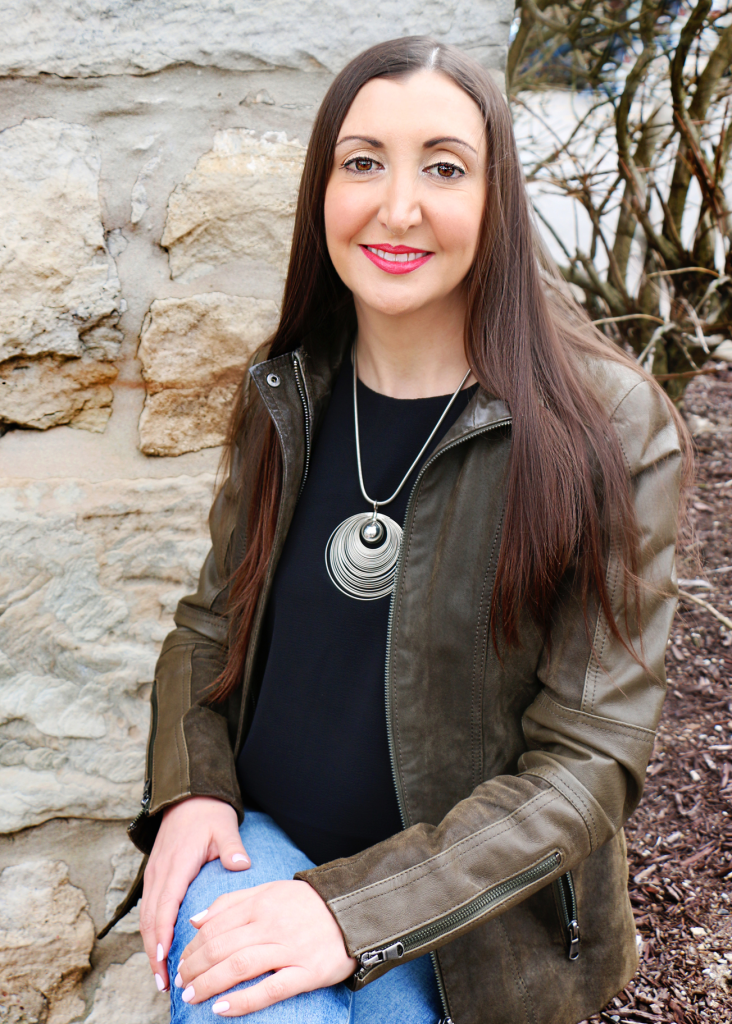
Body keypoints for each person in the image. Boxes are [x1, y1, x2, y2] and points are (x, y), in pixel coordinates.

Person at [105, 36, 690, 1024]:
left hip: (468, 919)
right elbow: (208, 629)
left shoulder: (611, 429)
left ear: (496, 196)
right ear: (322, 190)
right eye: (363, 161)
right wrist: (193, 790)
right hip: (265, 845)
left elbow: (589, 760)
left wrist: (348, 912)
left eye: (445, 168)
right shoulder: (287, 389)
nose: (398, 205)